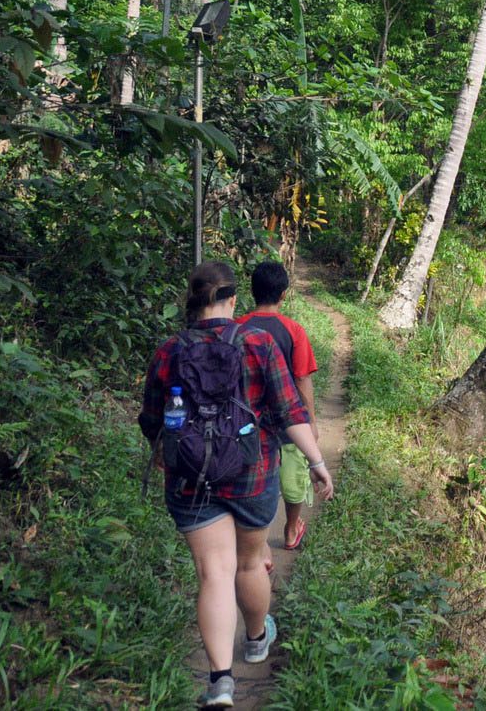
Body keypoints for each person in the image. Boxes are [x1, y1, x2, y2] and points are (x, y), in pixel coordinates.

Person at [139, 261, 333, 709]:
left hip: (190, 481)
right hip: (251, 474)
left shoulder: (169, 350)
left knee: (213, 573)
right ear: (232, 299)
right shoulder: (258, 342)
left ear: (191, 300)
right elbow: (290, 411)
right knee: (248, 564)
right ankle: (256, 638)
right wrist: (317, 461)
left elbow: (152, 422)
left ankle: (221, 681)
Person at [238, 261, 318, 551]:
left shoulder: (237, 327)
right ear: (284, 294)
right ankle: (290, 529)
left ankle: (254, 539)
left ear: (252, 291)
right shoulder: (293, 330)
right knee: (293, 479)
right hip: (288, 424)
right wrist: (310, 421)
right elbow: (302, 380)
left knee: (252, 478)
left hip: (247, 422)